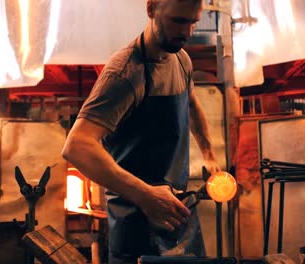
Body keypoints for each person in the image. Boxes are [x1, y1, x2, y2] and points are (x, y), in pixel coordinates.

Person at [61, 0, 220, 263]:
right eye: (178, 21)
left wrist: (210, 155)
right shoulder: (125, 73)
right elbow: (77, 146)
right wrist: (146, 196)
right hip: (135, 217)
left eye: (193, 22)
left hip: (177, 211)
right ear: (151, 10)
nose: (187, 32)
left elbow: (191, 105)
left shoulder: (181, 60)